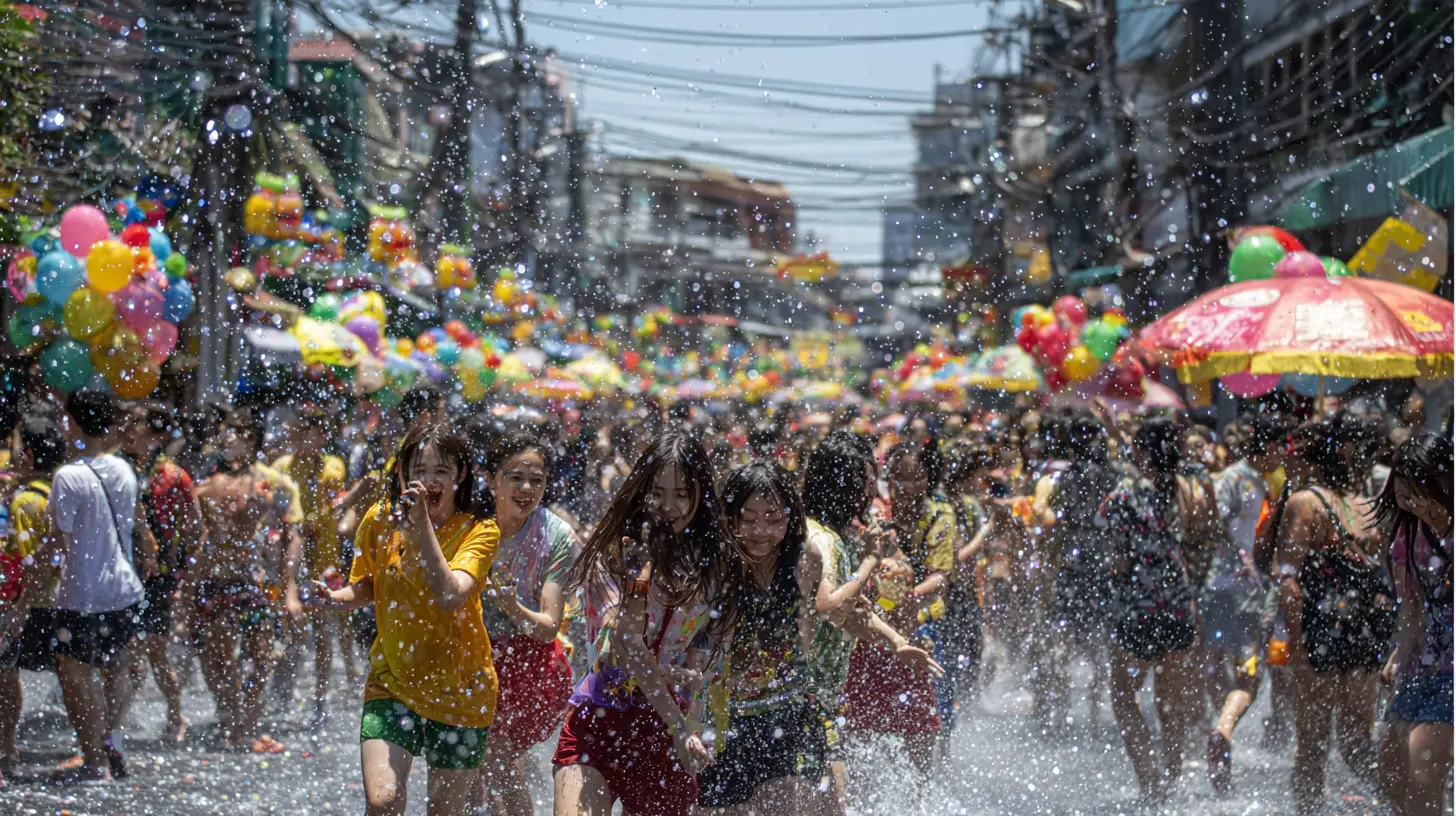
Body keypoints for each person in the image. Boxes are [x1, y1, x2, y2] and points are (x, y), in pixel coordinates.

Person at [552, 430, 743, 816]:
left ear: (701, 494)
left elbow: (711, 638)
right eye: (658, 493)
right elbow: (627, 644)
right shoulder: (616, 553)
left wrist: (695, 672)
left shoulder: (718, 565)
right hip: (601, 719)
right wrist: (679, 724)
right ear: (642, 491)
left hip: (668, 736)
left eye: (682, 494)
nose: (668, 506)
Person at [315, 421, 498, 816]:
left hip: (462, 691)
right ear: (401, 473)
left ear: (460, 475)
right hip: (393, 681)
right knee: (383, 801)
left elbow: (449, 594)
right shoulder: (379, 519)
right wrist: (333, 599)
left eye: (441, 473)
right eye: (418, 472)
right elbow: (368, 584)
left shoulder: (480, 530)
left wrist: (420, 529)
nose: (428, 482)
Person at [1274, 415, 1393, 816]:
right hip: (1364, 636)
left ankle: (1310, 811)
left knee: (1312, 742)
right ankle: (1402, 799)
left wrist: (1297, 647)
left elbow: (1288, 580)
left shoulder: (1305, 502)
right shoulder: (1365, 505)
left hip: (1321, 636)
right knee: (1358, 741)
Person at [44, 390, 153, 783]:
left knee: (74, 672)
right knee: (116, 666)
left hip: (81, 593)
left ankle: (93, 761)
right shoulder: (124, 469)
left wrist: (26, 593)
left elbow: (58, 542)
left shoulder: (67, 476)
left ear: (71, 422)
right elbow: (133, 522)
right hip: (122, 588)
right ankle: (113, 738)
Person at [474, 430, 580, 815]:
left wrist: (512, 607)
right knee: (472, 768)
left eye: (537, 480)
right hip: (469, 656)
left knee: (497, 759)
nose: (526, 488)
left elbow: (550, 625)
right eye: (515, 477)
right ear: (490, 478)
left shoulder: (555, 535)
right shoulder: (468, 522)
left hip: (529, 666)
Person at [1098, 416, 1200, 805]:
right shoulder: (1185, 489)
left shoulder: (1125, 494)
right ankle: (1172, 779)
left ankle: (1149, 779)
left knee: (1124, 695)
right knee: (1170, 697)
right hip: (1176, 604)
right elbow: (1191, 534)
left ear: (1140, 451)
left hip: (1137, 606)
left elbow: (1117, 549)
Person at [189, 410, 304, 753]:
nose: (224, 441)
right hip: (217, 580)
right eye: (223, 435)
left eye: (232, 435)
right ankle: (230, 720)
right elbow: (199, 537)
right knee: (218, 658)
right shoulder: (208, 485)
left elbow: (291, 536)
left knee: (261, 656)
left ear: (251, 440)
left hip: (257, 583)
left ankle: (248, 723)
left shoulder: (277, 484)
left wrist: (291, 589)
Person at [841, 440, 949, 787]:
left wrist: (906, 595)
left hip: (916, 634)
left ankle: (922, 799)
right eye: (901, 479)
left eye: (917, 479)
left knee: (920, 729)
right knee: (857, 734)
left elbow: (941, 577)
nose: (910, 487)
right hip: (866, 638)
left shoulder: (939, 516)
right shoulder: (873, 515)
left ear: (928, 479)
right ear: (889, 481)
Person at [1205, 412, 1286, 794]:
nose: (1282, 460)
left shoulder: (1239, 479)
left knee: (1215, 661)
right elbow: (1213, 522)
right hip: (1242, 591)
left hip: (1215, 589)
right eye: (1280, 451)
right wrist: (1243, 556)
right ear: (1269, 447)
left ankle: (1215, 723)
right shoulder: (1239, 480)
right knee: (1249, 677)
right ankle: (1223, 726)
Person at [1374, 433, 1453, 816]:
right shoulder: (1409, 535)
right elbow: (1412, 607)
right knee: (1390, 767)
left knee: (1423, 775)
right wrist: (1399, 654)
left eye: (1418, 491)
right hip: (1424, 663)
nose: (1412, 503)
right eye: (1403, 494)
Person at [118, 404, 198, 745]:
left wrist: (186, 576)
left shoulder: (174, 476)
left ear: (157, 436)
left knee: (154, 651)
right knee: (124, 651)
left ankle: (174, 713)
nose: (130, 430)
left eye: (138, 425)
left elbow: (195, 528)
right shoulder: (116, 467)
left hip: (158, 577)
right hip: (121, 571)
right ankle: (116, 721)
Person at [272, 409, 356, 728]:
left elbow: (339, 504)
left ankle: (320, 701)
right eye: (299, 433)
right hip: (290, 561)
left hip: (325, 560)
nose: (304, 439)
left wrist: (346, 523)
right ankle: (282, 692)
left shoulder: (334, 466)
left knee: (324, 634)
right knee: (291, 632)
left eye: (311, 434)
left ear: (322, 437)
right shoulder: (281, 467)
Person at [0, 414, 65, 785]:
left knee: (5, 677)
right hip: (55, 600)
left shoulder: (24, 502)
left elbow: (20, 559)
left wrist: (15, 608)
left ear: (28, 455)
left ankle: (6, 747)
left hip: (23, 603)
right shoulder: (55, 490)